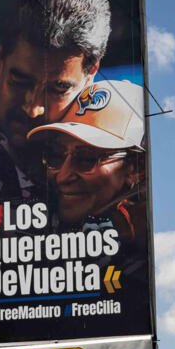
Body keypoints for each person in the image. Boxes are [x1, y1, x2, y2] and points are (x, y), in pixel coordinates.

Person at [0, 0, 112, 241]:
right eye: (19, 81)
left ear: (91, 74)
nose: (33, 109)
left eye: (58, 88)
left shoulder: (109, 136)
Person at [27, 79, 148, 258]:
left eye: (86, 158)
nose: (63, 176)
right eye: (56, 155)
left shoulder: (137, 247)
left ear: (137, 168)